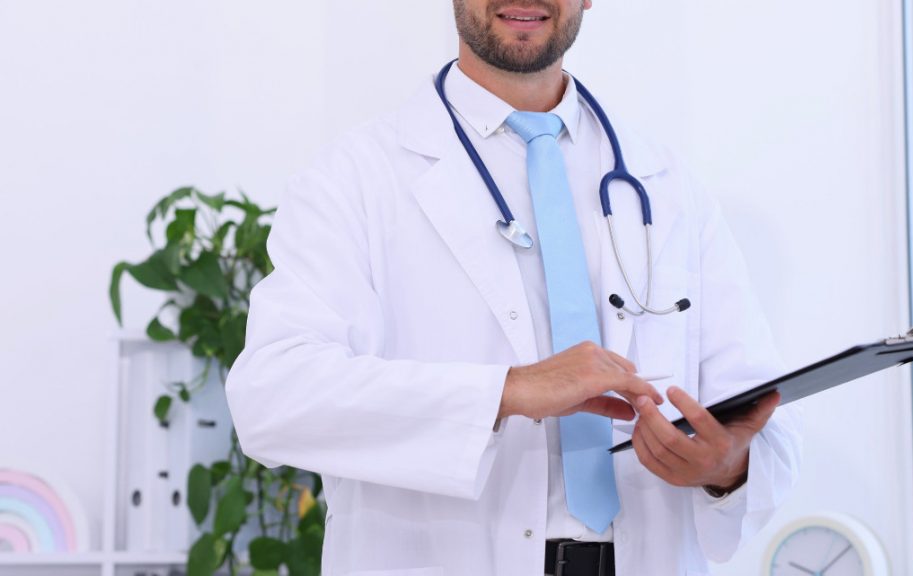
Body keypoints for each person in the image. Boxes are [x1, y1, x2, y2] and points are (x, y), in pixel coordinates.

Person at [225, 1, 802, 574]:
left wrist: (727, 466)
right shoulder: (353, 179)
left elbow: (760, 417)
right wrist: (506, 391)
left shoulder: (669, 187)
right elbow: (271, 398)